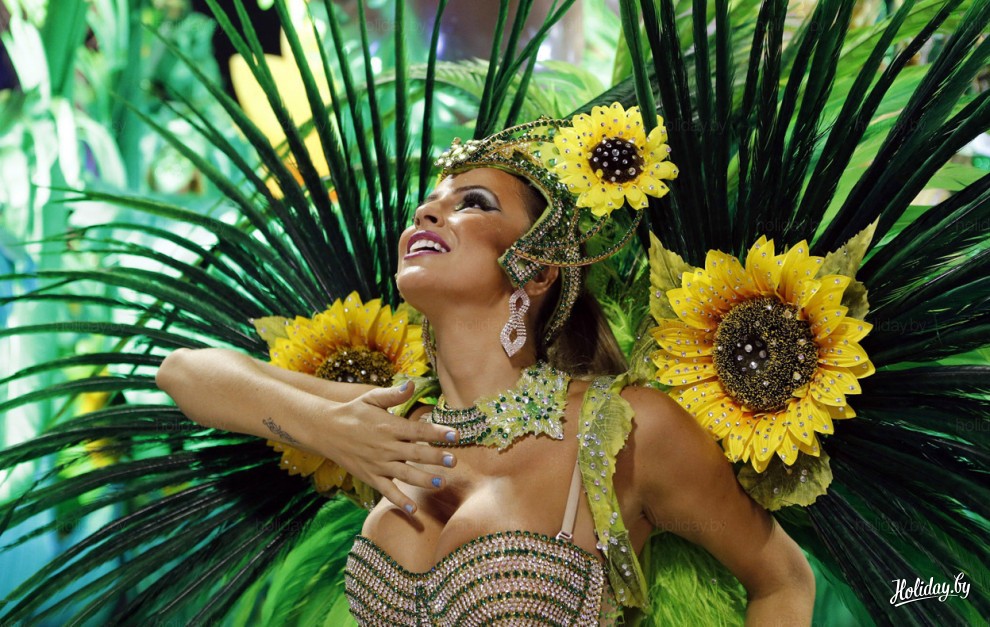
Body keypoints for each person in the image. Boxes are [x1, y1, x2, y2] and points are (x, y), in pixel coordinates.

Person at [157, 107, 814, 625]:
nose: (428, 212)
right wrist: (327, 428)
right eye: (428, 203)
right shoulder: (393, 429)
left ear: (537, 271)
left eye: (472, 202)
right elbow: (185, 372)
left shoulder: (624, 429)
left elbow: (782, 579)